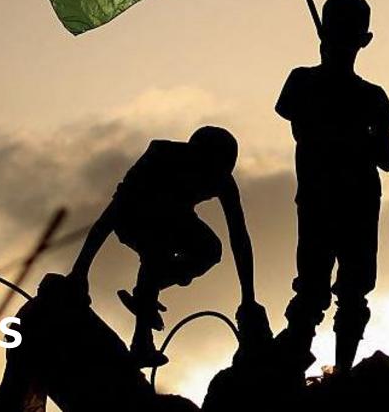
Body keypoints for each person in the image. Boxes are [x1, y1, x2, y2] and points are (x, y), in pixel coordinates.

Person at [274, 0, 389, 375]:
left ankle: (333, 371)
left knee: (336, 289)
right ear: (366, 39)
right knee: (326, 288)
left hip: (345, 200)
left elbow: (387, 160)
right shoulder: (313, 83)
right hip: (330, 198)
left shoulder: (367, 96)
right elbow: (385, 157)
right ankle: (311, 368)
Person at [68, 126, 264, 367]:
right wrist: (81, 270)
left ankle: (146, 294)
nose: (209, 183)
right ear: (193, 158)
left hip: (176, 218)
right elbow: (110, 216)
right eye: (204, 175)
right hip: (132, 216)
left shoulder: (222, 179)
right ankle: (141, 341)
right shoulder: (159, 158)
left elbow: (239, 238)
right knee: (157, 249)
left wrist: (248, 297)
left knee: (209, 250)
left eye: (214, 178)